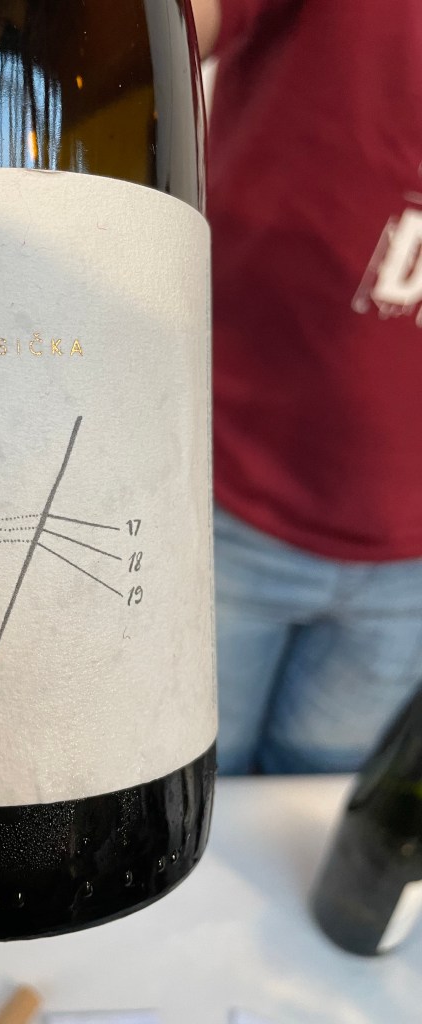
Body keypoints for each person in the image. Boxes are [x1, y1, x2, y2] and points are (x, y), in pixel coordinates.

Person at [189, 0, 422, 773]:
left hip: (409, 572)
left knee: (313, 822)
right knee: (175, 802)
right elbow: (155, 28)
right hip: (220, 496)